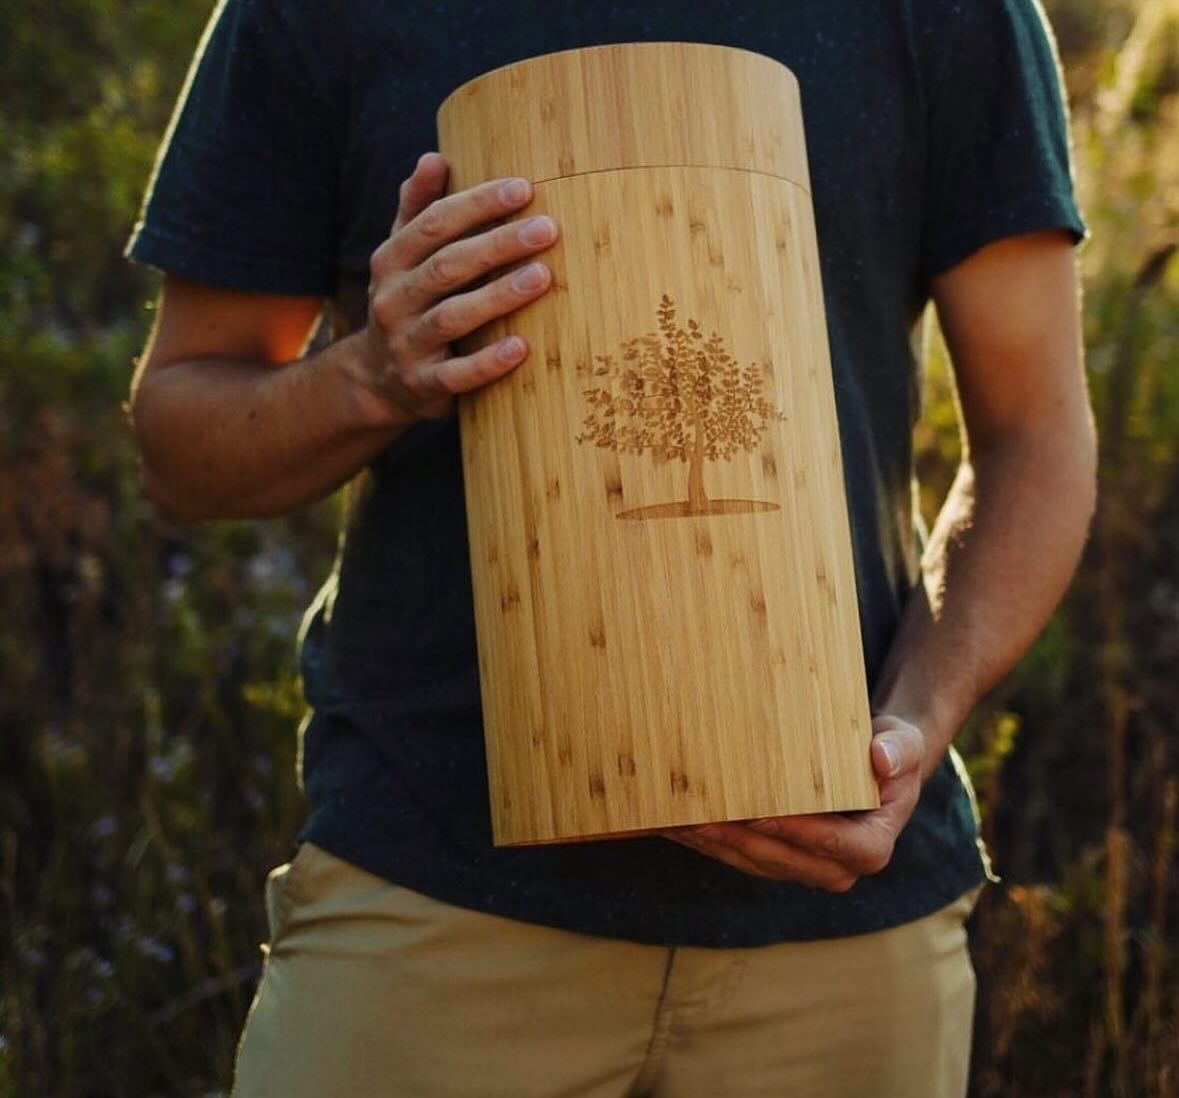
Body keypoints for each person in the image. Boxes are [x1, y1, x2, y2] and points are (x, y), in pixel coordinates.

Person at [125, 1, 1096, 1095]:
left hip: (844, 919)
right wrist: (369, 378)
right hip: (433, 898)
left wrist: (917, 718)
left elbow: (1034, 436)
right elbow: (182, 441)